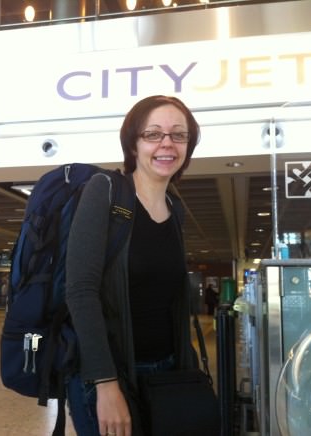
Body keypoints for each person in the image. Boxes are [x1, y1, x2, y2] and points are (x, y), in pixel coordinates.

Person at [65, 95, 201, 436]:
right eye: (153, 134)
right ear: (134, 143)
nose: (166, 143)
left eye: (178, 135)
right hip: (111, 372)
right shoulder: (106, 191)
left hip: (166, 374)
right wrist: (105, 384)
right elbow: (81, 291)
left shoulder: (174, 209)